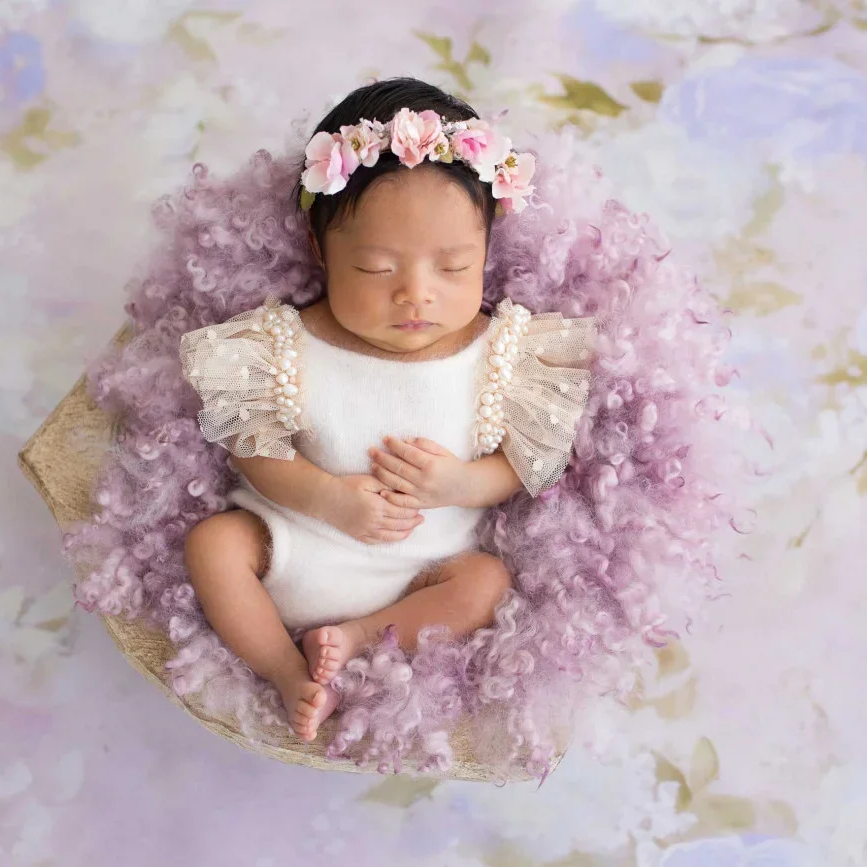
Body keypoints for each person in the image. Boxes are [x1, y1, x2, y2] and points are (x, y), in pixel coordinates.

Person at [180, 78, 595, 742]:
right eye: (376, 269)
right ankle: (287, 672)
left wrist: (463, 483)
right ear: (322, 252)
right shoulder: (283, 341)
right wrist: (326, 498)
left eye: (455, 267)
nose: (415, 295)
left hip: (423, 570)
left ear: (489, 249)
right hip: (297, 540)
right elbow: (250, 448)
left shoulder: (506, 351)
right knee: (212, 544)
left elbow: (522, 463)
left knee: (486, 582)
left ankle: (356, 638)